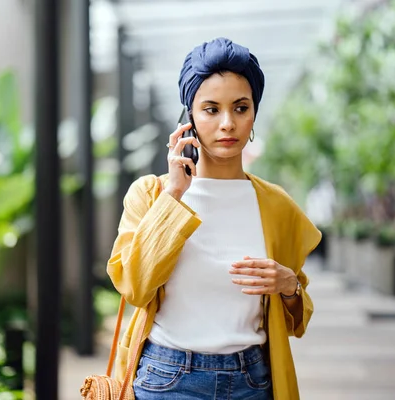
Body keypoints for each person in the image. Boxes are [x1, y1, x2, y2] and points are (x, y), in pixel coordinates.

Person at [107, 37, 321, 400]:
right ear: (188, 116)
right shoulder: (151, 194)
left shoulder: (276, 205)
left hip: (253, 380)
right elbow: (135, 286)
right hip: (168, 379)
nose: (227, 124)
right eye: (210, 109)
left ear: (254, 113)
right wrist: (174, 195)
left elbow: (296, 321)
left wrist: (288, 285)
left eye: (240, 108)